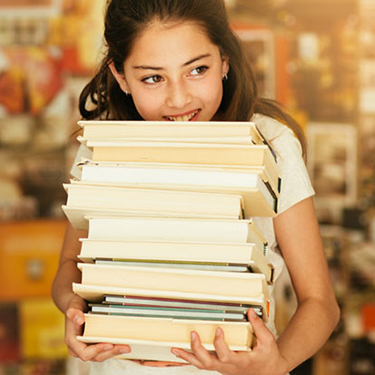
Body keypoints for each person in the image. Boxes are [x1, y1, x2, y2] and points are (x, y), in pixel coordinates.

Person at [52, 0, 340, 374]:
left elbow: (320, 302)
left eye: (197, 69)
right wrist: (74, 308)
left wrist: (276, 363)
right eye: (153, 77)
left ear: (224, 59)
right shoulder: (101, 147)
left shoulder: (271, 143)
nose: (179, 99)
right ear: (121, 76)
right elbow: (70, 266)